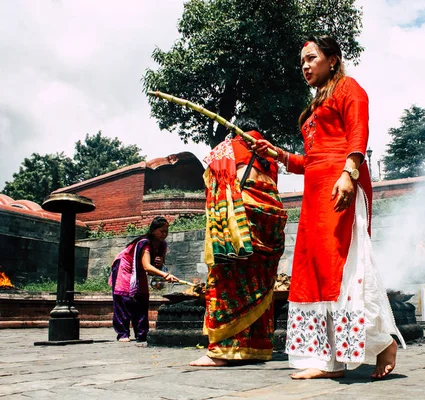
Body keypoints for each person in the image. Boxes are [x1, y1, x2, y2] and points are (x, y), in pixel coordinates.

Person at [253, 35, 403, 380]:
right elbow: (312, 160)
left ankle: (382, 343)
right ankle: (327, 359)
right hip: (316, 192)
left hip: (341, 186)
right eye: (302, 61)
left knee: (343, 266)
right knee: (316, 271)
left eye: (311, 58)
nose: (305, 66)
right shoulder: (315, 105)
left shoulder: (349, 88)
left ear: (332, 59)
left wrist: (350, 173)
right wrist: (280, 155)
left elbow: (358, 133)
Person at [189, 119, 287, 366]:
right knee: (258, 285)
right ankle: (256, 348)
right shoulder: (270, 154)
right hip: (271, 220)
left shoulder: (227, 147)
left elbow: (215, 181)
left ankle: (222, 352)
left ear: (235, 131)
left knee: (227, 281)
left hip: (242, 217)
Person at [109, 216, 179, 342]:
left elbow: (153, 266)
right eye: (161, 231)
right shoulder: (145, 243)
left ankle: (141, 333)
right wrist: (166, 275)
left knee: (142, 298)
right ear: (153, 231)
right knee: (124, 298)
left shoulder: (162, 245)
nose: (164, 234)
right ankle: (123, 333)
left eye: (166, 231)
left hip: (138, 270)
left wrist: (159, 263)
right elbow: (147, 266)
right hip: (125, 267)